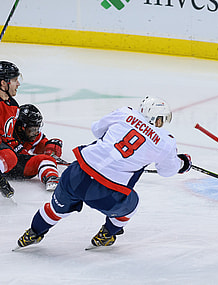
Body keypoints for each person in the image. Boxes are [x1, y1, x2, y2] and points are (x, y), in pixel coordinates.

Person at [15, 96, 192, 249]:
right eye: (161, 118)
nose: (162, 123)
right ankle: (107, 234)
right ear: (156, 118)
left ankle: (34, 232)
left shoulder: (125, 113)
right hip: (106, 192)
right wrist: (183, 163)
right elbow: (166, 170)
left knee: (57, 209)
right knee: (132, 203)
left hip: (77, 173)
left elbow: (97, 130)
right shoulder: (165, 141)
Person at [2, 104, 63, 191]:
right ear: (20, 128)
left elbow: (44, 144)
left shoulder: (27, 134)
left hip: (14, 162)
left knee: (53, 147)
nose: (36, 133)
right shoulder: (7, 133)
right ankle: (52, 178)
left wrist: (52, 149)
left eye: (37, 129)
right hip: (7, 165)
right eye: (33, 130)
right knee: (44, 160)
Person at [0, 61, 21, 198]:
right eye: (14, 80)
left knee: (10, 158)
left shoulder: (13, 105)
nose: (18, 84)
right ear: (3, 83)